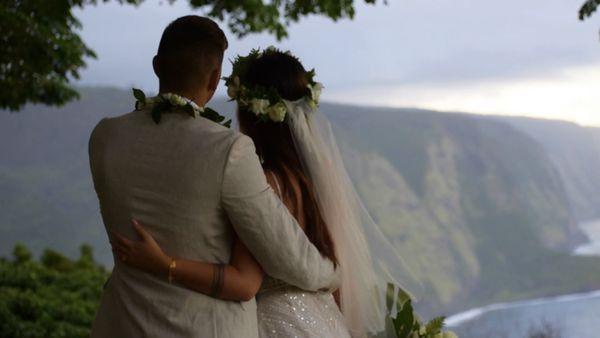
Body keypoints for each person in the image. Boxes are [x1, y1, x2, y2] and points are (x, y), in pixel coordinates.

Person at [111, 48, 414, 337]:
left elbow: (245, 281)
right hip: (324, 320)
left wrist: (166, 264)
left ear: (250, 111)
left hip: (277, 323)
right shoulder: (312, 180)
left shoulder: (264, 183)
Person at [88, 16, 339, 338]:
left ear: (156, 65)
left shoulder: (105, 137)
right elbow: (291, 259)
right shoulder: (229, 150)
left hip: (121, 324)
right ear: (215, 77)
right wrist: (336, 275)